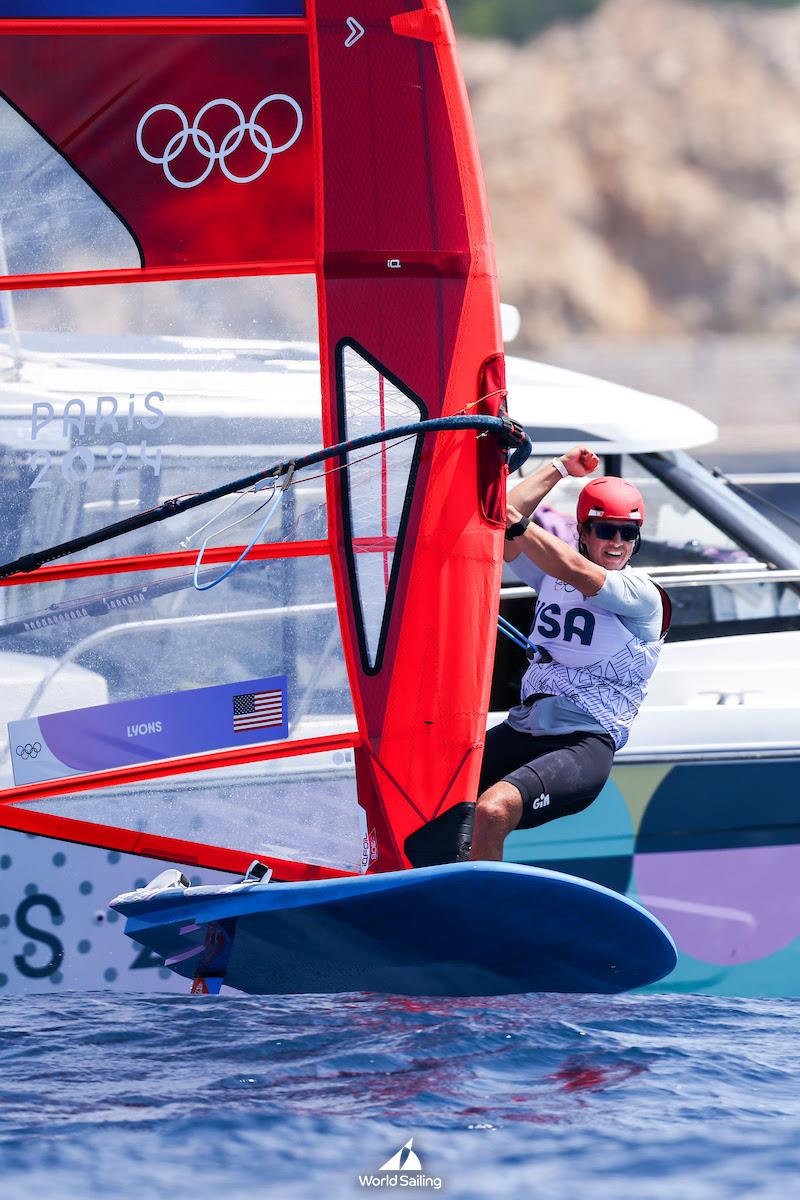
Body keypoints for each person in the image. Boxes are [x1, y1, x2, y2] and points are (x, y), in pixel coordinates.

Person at [470, 446, 669, 861]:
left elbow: (576, 572)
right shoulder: (550, 570)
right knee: (434, 791)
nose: (617, 542)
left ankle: (475, 916)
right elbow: (501, 516)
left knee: (493, 809)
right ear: (583, 531)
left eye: (628, 533)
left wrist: (520, 524)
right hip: (525, 729)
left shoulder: (640, 594)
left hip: (583, 744)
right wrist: (560, 469)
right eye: (605, 530)